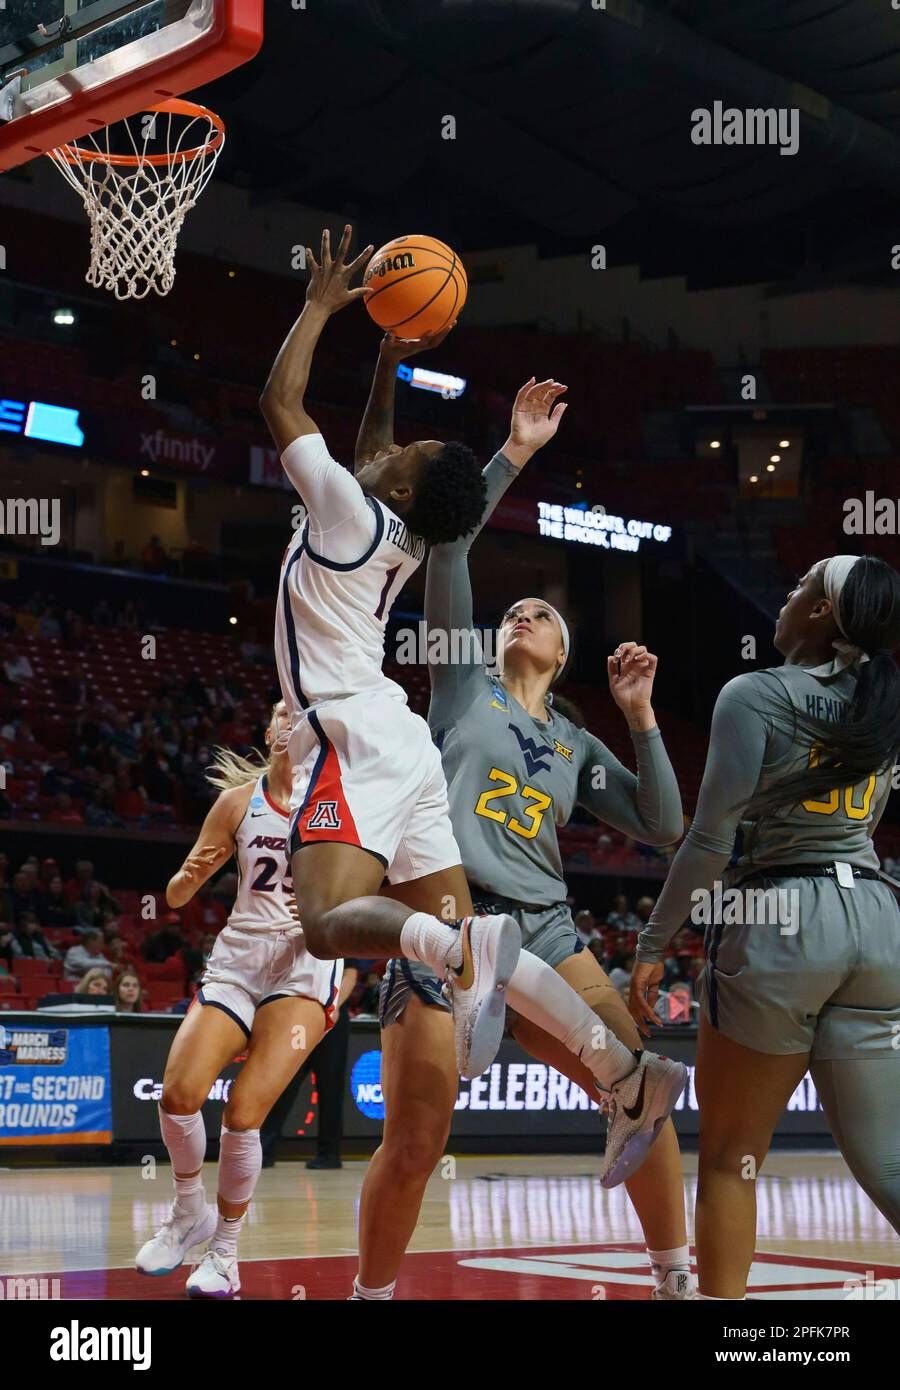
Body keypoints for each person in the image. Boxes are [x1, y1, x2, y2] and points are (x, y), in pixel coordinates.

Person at [261, 224, 680, 1156]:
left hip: (354, 732)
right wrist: (382, 362)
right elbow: (375, 451)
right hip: (404, 744)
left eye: (413, 450)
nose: (400, 446)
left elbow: (277, 399)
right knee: (475, 944)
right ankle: (624, 1074)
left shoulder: (344, 511)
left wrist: (320, 306)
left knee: (332, 926)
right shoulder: (389, 520)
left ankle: (459, 950)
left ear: (402, 489)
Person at [361, 342, 691, 1301]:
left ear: (564, 648)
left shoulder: (580, 740)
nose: (521, 614)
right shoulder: (462, 686)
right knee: (417, 1141)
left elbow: (664, 827)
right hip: (446, 915)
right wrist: (516, 450)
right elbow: (454, 544)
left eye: (539, 611)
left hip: (547, 926)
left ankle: (674, 1276)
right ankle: (369, 1296)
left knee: (638, 1093)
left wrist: (639, 721)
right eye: (514, 609)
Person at [630, 554, 900, 1299]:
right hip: (877, 922)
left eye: (799, 589)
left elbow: (711, 840)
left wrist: (655, 944)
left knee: (730, 1159)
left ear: (820, 614)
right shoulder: (884, 704)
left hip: (785, 916)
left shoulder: (754, 693)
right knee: (887, 1163)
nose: (783, 599)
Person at [135, 703, 343, 1300]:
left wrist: (337, 901)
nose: (290, 721)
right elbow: (177, 894)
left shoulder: (338, 804)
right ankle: (187, 1214)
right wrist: (191, 874)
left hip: (303, 971)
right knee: (177, 1094)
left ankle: (225, 1253)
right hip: (237, 963)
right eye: (281, 713)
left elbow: (376, 884)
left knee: (244, 1112)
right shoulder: (237, 803)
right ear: (270, 731)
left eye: (300, 714)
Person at [260, 959, 359, 1169]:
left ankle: (329, 1154)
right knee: (285, 1082)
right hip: (299, 1019)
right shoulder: (297, 937)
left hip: (331, 1021)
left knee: (330, 1088)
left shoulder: (338, 935)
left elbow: (350, 974)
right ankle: (263, 1150)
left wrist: (334, 1005)